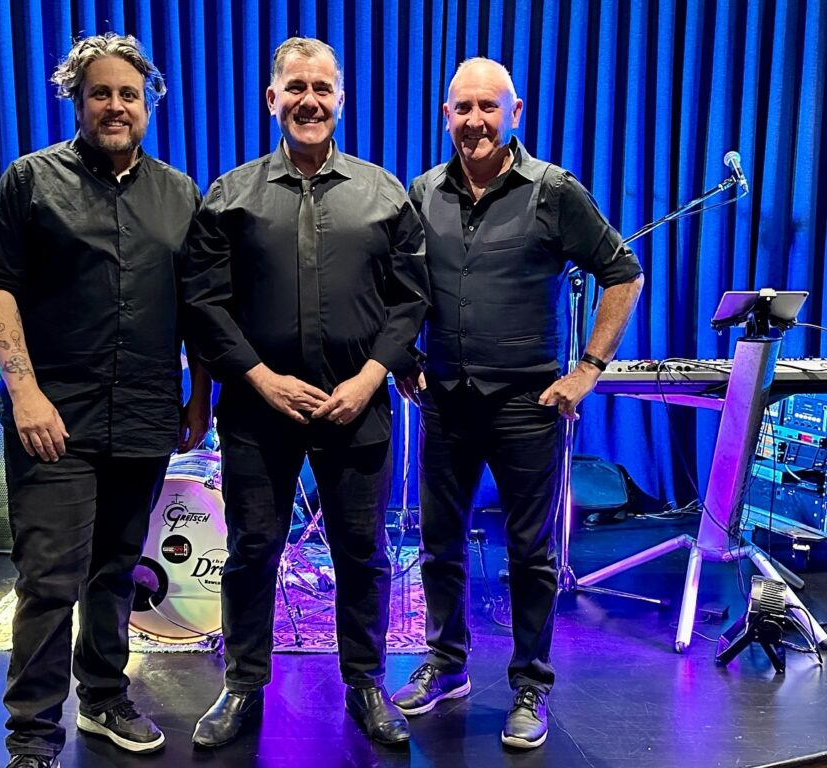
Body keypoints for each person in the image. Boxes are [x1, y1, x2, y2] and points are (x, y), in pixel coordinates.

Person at [0, 33, 211, 768]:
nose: (115, 106)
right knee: (50, 580)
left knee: (116, 570)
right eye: (100, 93)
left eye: (128, 94)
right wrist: (24, 393)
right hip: (54, 418)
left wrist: (199, 397)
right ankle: (33, 737)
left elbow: (200, 304)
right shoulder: (30, 181)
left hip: (145, 413)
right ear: (77, 100)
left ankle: (105, 699)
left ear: (148, 105)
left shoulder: (180, 193)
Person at [181, 37, 429, 749]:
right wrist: (259, 378)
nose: (309, 101)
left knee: (363, 552)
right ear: (272, 99)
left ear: (340, 101)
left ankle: (366, 683)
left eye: (322, 89)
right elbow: (203, 303)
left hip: (358, 406)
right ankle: (242, 685)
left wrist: (370, 377)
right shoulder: (229, 195)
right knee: (252, 549)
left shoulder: (385, 194)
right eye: (295, 88)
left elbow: (411, 299)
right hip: (257, 410)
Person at [390, 58, 644, 750]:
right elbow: (404, 287)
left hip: (527, 406)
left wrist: (588, 369)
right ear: (446, 115)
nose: (474, 121)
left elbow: (623, 273)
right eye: (462, 108)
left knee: (531, 554)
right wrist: (405, 355)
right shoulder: (424, 192)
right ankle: (447, 663)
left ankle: (531, 682)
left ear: (515, 113)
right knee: (439, 545)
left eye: (488, 107)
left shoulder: (553, 190)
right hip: (445, 401)